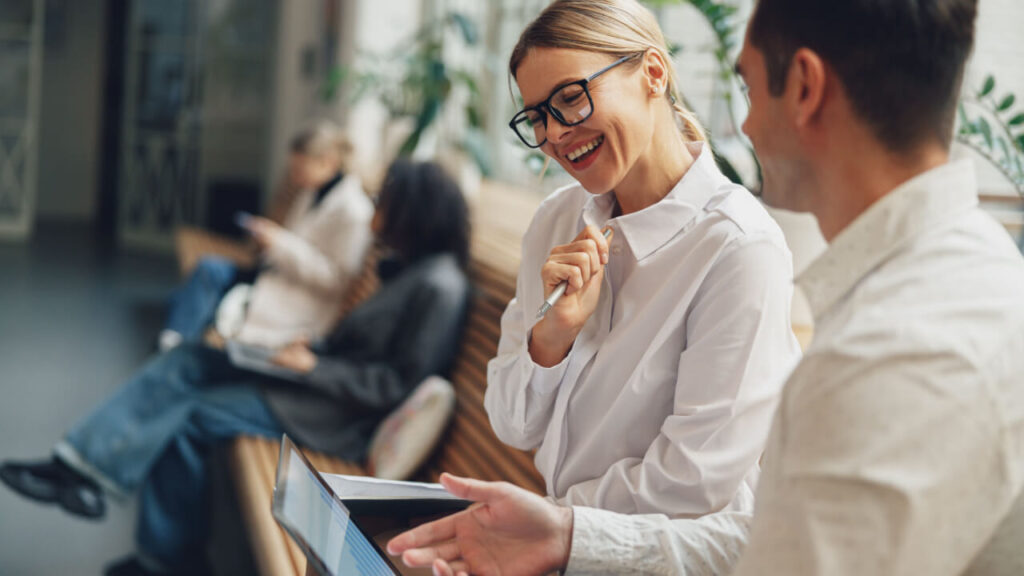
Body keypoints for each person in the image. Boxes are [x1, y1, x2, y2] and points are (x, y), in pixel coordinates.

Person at [386, 0, 1024, 574]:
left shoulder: (892, 344)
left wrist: (562, 528)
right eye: (537, 117)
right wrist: (564, 532)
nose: (742, 129)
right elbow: (771, 542)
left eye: (746, 87)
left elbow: (716, 504)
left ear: (803, 87)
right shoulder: (946, 288)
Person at [0, 159, 472, 576]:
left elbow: (394, 383)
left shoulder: (440, 286)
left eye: (385, 201)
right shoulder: (417, 269)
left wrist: (312, 367)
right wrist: (315, 348)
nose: (376, 210)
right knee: (190, 359)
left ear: (413, 210)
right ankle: (78, 468)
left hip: (332, 414)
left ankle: (162, 557)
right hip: (315, 383)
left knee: (193, 415)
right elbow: (371, 349)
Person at [483, 0, 801, 520]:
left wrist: (552, 520)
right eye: (537, 116)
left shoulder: (738, 247)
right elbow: (512, 424)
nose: (556, 134)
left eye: (570, 97)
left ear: (653, 73)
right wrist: (551, 338)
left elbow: (692, 480)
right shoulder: (555, 222)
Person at [159, 121, 374, 351]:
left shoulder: (354, 211)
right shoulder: (312, 193)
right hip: (275, 274)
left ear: (328, 163)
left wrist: (279, 243)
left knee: (202, 282)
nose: (294, 177)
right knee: (206, 272)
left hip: (299, 299)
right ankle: (174, 341)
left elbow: (337, 281)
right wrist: (270, 240)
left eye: (299, 170)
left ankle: (174, 344)